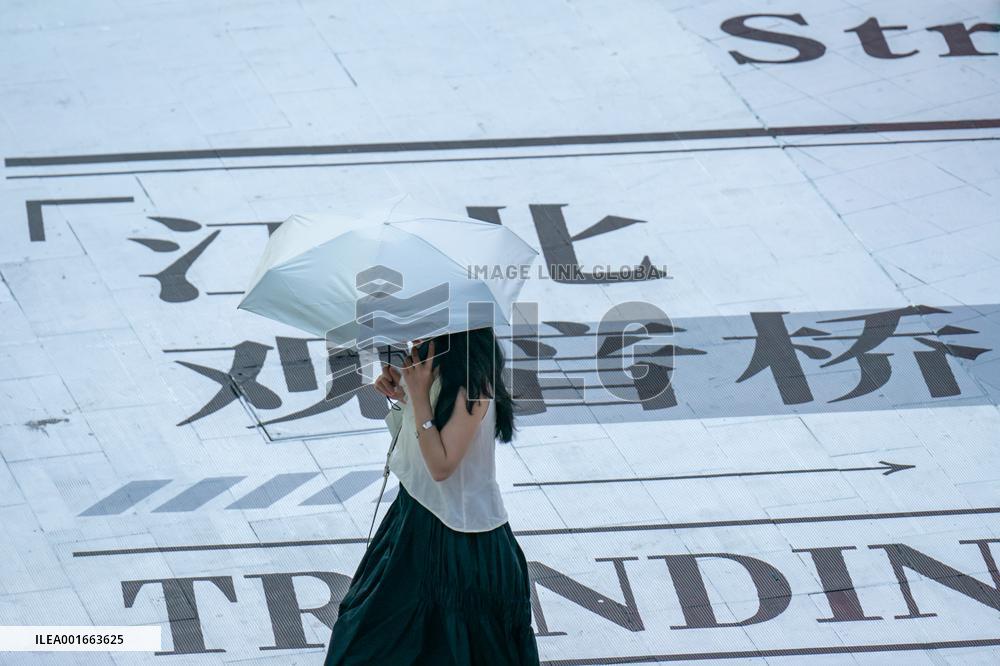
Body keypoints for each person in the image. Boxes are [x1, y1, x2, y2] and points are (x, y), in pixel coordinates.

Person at [325, 326, 541, 665]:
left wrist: (419, 395)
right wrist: (402, 397)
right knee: (365, 638)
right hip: (413, 518)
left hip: (461, 542)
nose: (413, 344)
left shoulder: (474, 387)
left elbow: (441, 465)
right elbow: (415, 450)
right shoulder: (432, 373)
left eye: (423, 337)